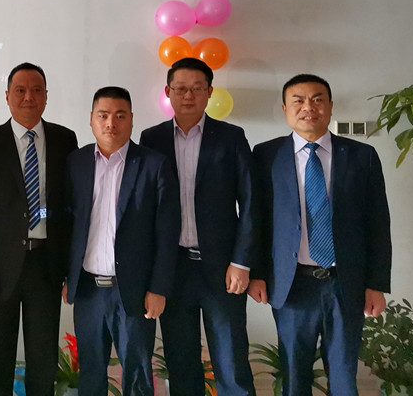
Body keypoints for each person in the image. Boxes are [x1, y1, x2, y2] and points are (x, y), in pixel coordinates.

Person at [249, 74, 391, 396]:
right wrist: (257, 273)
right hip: (292, 284)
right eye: (298, 100)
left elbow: (378, 223)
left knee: (343, 376)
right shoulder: (266, 155)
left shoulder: (362, 155)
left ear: (330, 106)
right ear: (285, 109)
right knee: (294, 376)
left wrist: (376, 283)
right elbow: (257, 219)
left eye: (317, 100)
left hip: (345, 282)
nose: (308, 107)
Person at [140, 57, 257, 396]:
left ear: (209, 92)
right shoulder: (152, 139)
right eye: (180, 88)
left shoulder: (231, 137)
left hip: (222, 268)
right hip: (173, 268)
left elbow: (251, 202)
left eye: (196, 88)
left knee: (232, 362)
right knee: (181, 362)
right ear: (168, 93)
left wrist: (242, 261)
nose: (188, 95)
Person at [0, 62, 78, 396]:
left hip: (47, 264)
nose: (29, 97)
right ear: (7, 96)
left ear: (46, 96)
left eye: (36, 90)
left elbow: (70, 209)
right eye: (20, 90)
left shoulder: (64, 139)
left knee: (43, 359)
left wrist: (70, 270)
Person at [64, 87, 179, 396]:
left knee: (138, 373)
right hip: (87, 290)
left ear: (131, 120)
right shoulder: (76, 162)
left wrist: (158, 288)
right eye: (103, 116)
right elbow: (65, 221)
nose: (110, 124)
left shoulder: (154, 164)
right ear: (91, 119)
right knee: (90, 372)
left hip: (135, 290)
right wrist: (67, 277)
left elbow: (167, 233)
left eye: (119, 116)